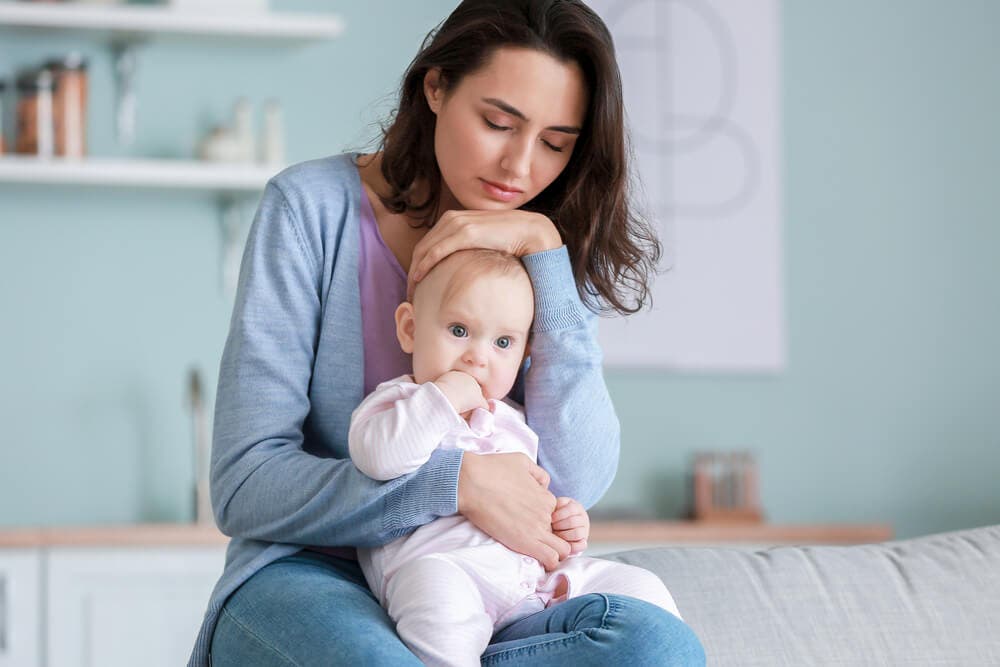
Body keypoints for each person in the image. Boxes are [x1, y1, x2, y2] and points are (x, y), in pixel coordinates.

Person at [191, 1, 706, 665]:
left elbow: (578, 473)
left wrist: (547, 251)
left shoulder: (540, 243)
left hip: (487, 586)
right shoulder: (310, 210)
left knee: (655, 643)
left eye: (555, 142)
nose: (520, 167)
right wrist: (454, 483)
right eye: (498, 122)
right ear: (435, 88)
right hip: (310, 575)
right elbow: (244, 485)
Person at [349, 247, 683, 666]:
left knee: (640, 587)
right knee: (436, 599)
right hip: (450, 570)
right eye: (458, 330)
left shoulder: (514, 421)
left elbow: (535, 498)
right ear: (410, 328)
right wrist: (445, 397)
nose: (478, 356)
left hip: (534, 581)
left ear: (524, 353)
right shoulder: (397, 402)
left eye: (502, 342)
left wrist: (566, 524)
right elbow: (380, 458)